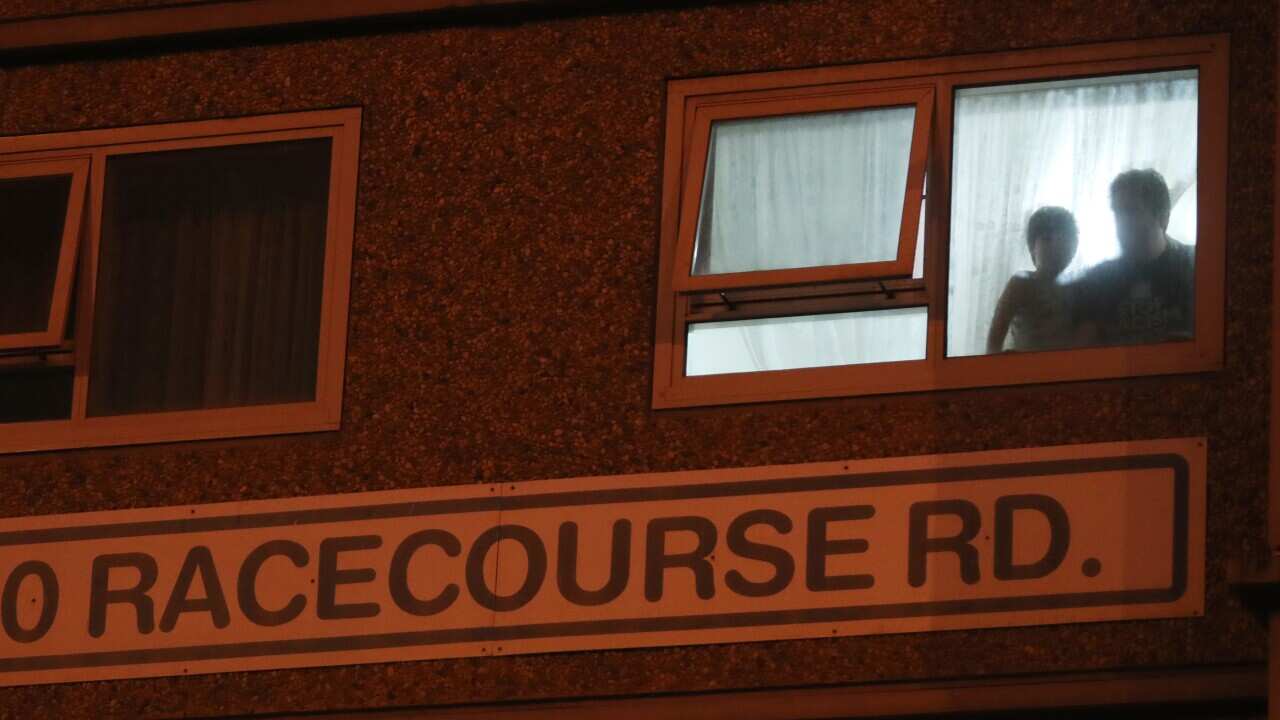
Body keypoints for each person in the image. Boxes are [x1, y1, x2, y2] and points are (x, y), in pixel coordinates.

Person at [1074, 169, 1195, 346]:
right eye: (1117, 212)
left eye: (1131, 211)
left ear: (1162, 217)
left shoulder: (1196, 267)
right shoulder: (1099, 280)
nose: (1122, 223)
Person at [986, 206, 1080, 353]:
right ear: (1032, 248)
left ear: (1074, 247)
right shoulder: (1021, 283)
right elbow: (995, 337)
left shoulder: (1076, 287)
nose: (1056, 246)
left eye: (1065, 239)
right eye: (1047, 239)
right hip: (1025, 369)